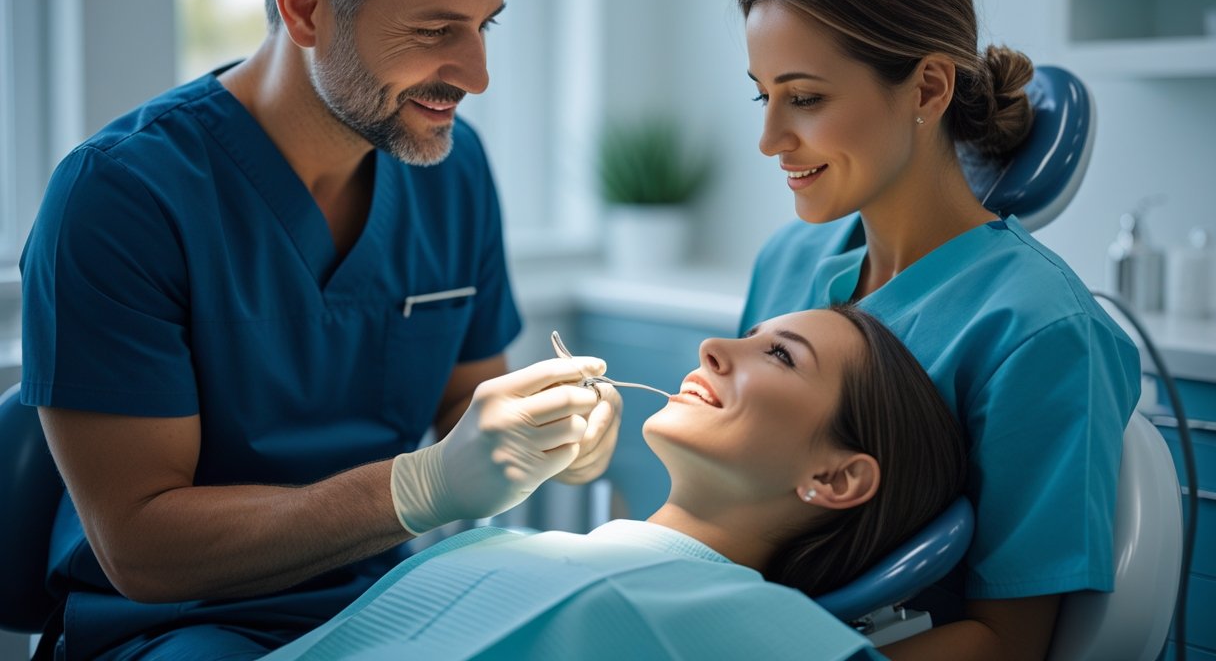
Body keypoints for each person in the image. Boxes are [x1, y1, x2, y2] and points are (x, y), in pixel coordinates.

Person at [18, 0, 621, 659]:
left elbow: (465, 399)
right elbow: (141, 547)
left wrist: (551, 435)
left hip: (387, 602)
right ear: (304, 6)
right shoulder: (121, 198)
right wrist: (421, 486)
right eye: (436, 28)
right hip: (180, 625)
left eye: (484, 25)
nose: (476, 73)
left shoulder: (451, 168)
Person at [736, 0, 1141, 661]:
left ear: (927, 87)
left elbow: (1007, 643)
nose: (769, 139)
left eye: (806, 98)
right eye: (762, 95)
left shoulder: (1041, 332)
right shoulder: (791, 263)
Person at [252, 305, 967, 660]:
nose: (713, 347)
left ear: (836, 477)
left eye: (779, 355)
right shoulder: (491, 548)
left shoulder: (787, 639)